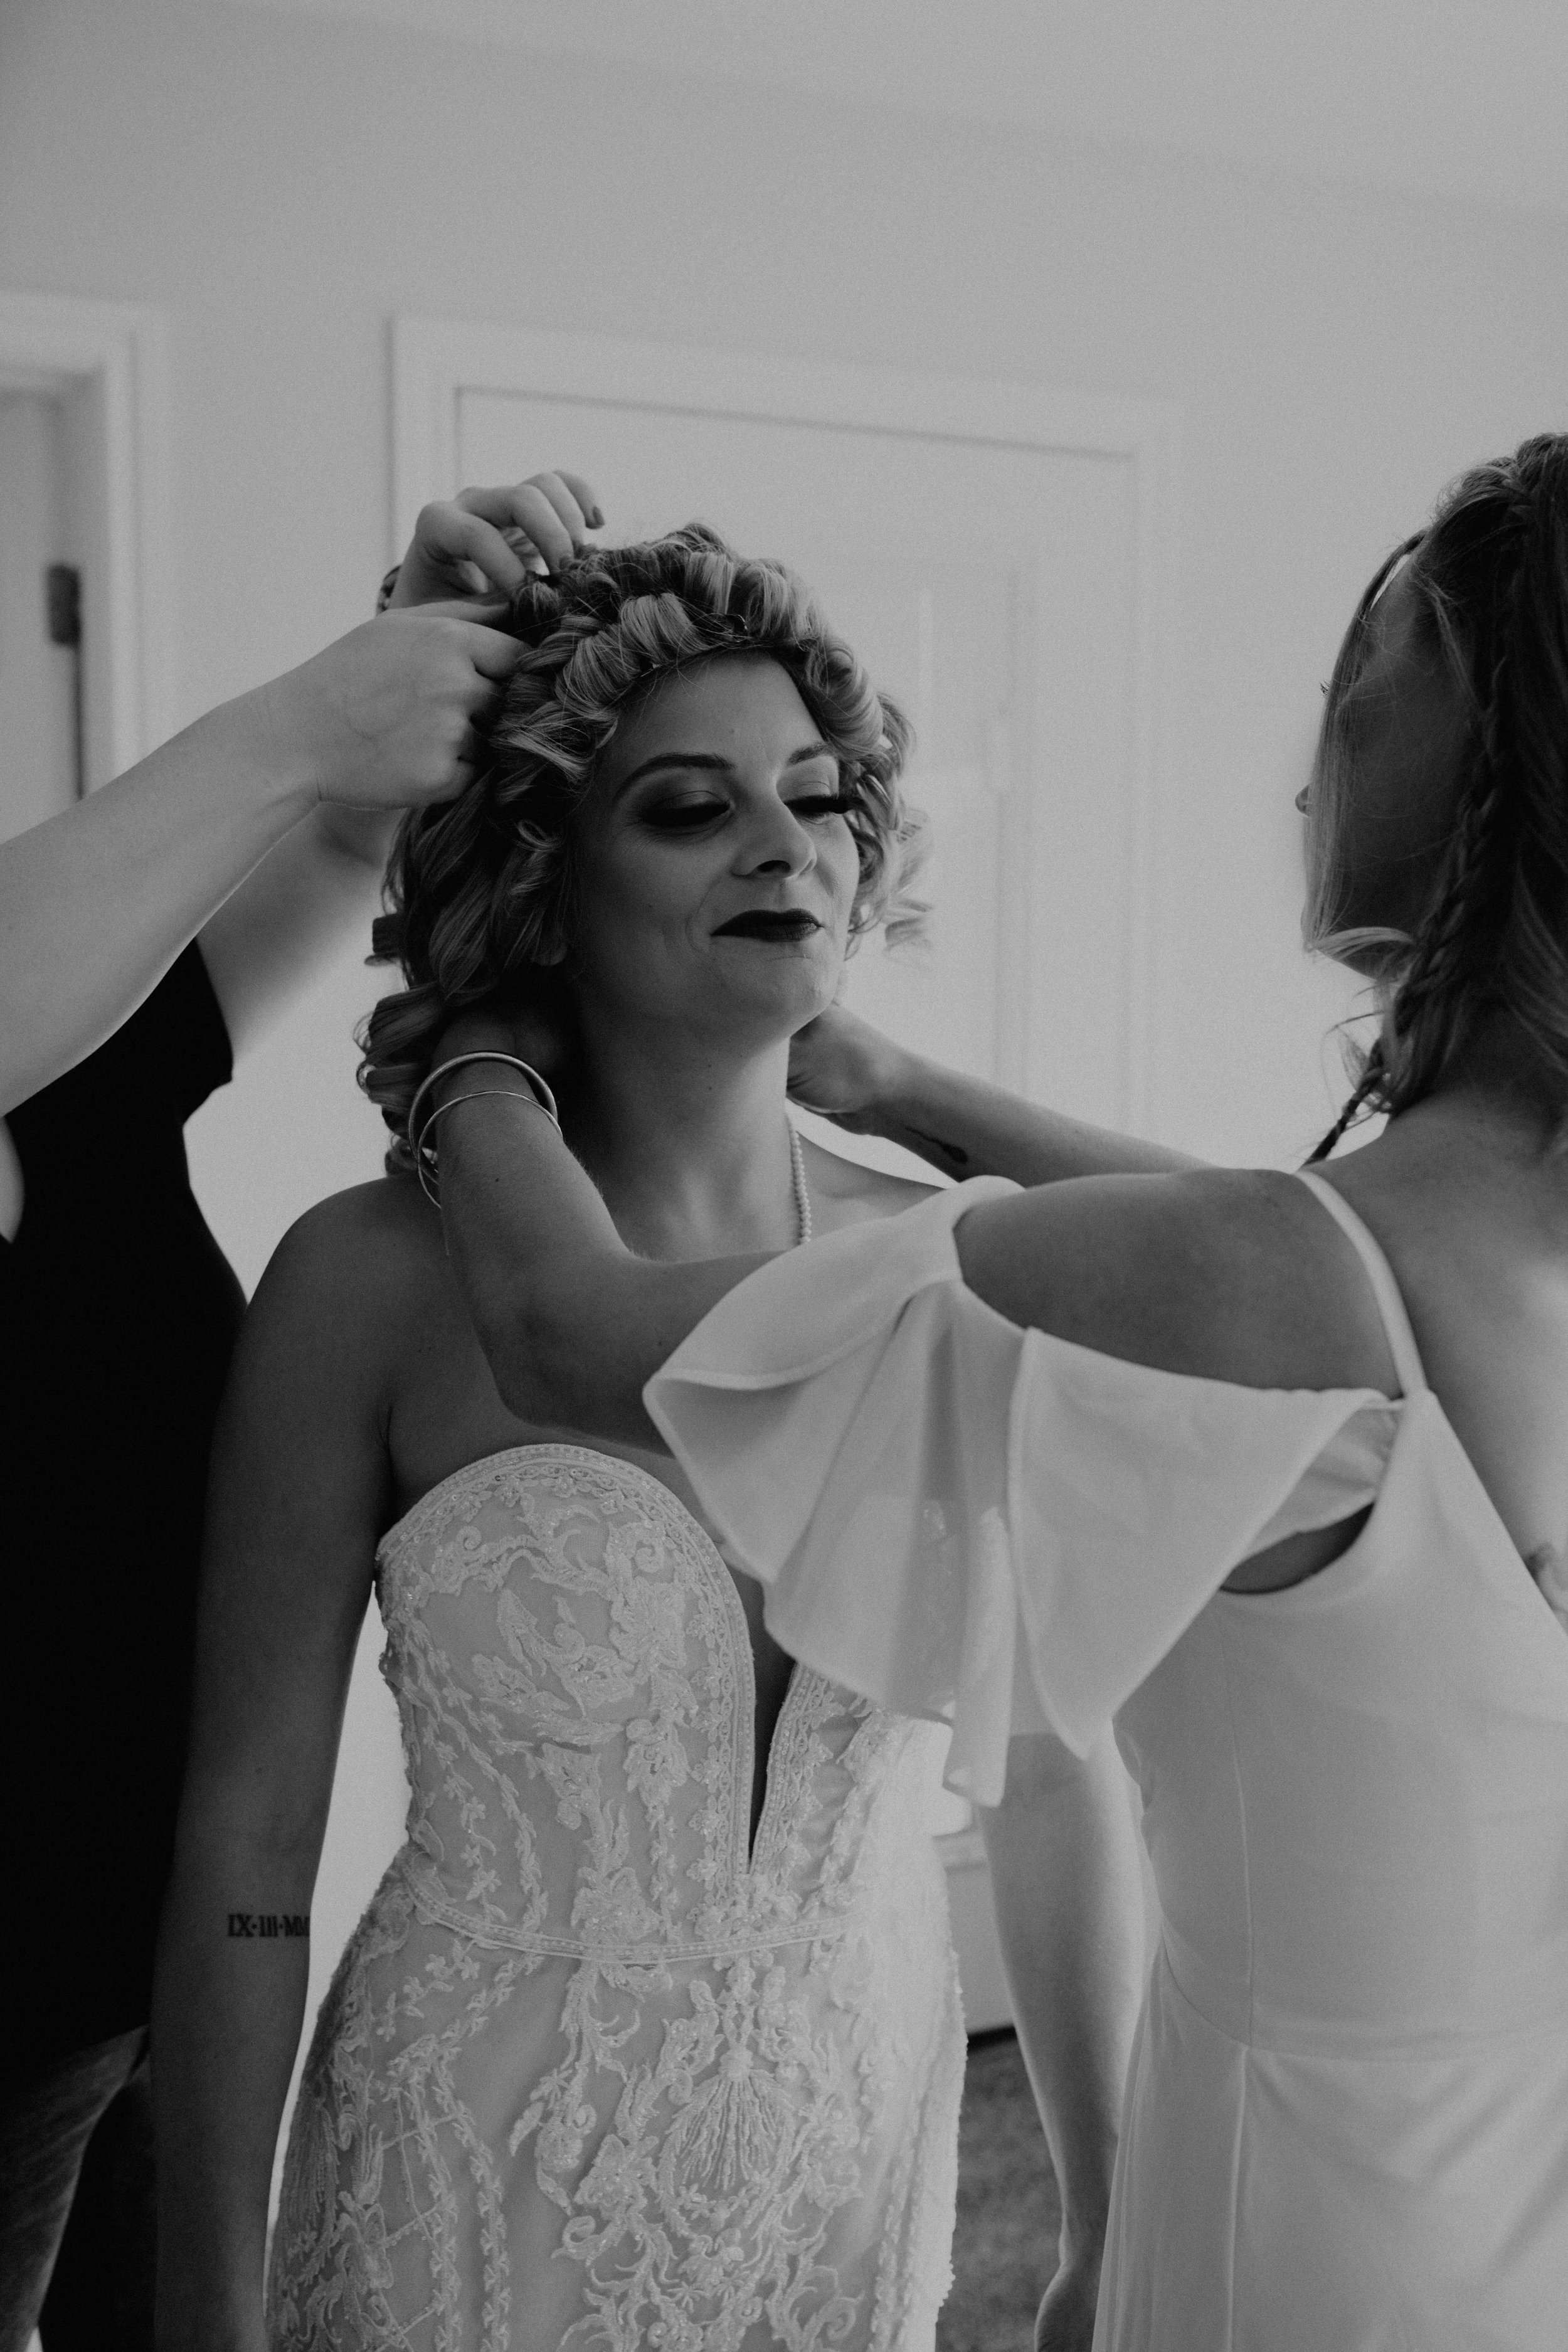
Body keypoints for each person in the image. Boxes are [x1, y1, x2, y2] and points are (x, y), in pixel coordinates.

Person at [416, 436, 1568, 2349]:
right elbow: (1275, 1263)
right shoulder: (1421, 1260)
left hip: (1309, 2233)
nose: (1302, 769)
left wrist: (459, 1042)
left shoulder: (1257, 1277)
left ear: (1488, 756)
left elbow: (558, 1326)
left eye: (1355, 691)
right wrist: (891, 1085)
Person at [152, 524, 1146, 2352]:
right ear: (545, 879)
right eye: (689, 808)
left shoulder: (949, 1258)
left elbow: (1058, 1774)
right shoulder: (366, 1283)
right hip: (467, 2200)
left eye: (820, 797)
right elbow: (249, 1838)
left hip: (855, 2168)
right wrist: (200, 2313)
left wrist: (1103, 2223)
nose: (784, 844)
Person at [0, 469, 598, 2352]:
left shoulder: (62, 1033)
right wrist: (295, 721)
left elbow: (318, 859)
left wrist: (369, 720)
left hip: (160, 1954)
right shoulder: (365, 1278)